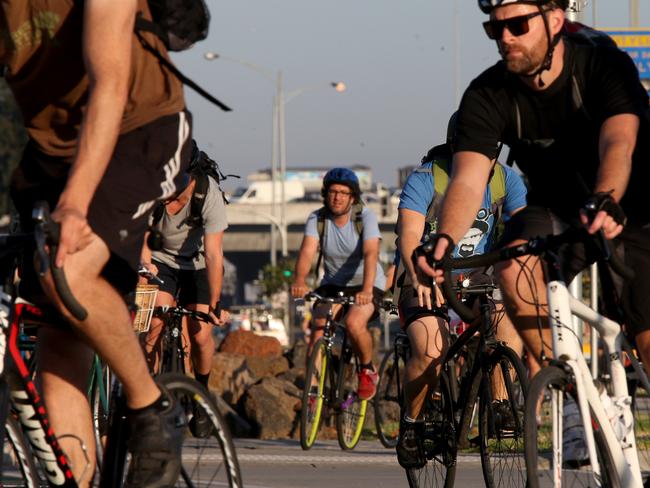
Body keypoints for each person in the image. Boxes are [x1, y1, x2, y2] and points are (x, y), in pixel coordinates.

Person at [1, 2, 193, 486]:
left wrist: (75, 204)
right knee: (56, 331)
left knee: (66, 268)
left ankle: (151, 406)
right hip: (51, 151)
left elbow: (109, 83)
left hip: (141, 129)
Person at [421, 0, 650, 391]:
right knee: (514, 269)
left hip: (630, 204)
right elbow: (468, 181)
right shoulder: (486, 93)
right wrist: (444, 239)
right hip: (556, 207)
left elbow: (618, 143)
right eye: (496, 29)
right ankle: (577, 399)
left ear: (556, 20)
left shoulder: (604, 65)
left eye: (518, 25)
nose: (506, 37)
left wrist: (606, 196)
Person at [394, 113, 528, 468]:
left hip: (479, 276)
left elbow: (523, 228)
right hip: (424, 274)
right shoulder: (426, 178)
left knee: (509, 321)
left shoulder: (504, 180)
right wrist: (418, 273)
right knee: (431, 350)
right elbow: (408, 235)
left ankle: (499, 406)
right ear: (454, 148)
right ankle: (413, 422)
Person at [140, 145, 229, 437]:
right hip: (160, 261)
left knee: (200, 334)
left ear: (189, 177)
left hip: (198, 264)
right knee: (154, 323)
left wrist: (214, 304)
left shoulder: (208, 194)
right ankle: (148, 398)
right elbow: (140, 233)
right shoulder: (152, 188)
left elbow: (215, 254)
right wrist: (144, 266)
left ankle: (201, 393)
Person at [291, 168, 386, 400]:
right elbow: (307, 252)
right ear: (326, 194)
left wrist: (366, 289)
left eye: (343, 193)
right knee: (317, 333)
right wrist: (300, 281)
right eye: (333, 192)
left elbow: (371, 252)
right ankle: (313, 394)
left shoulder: (365, 217)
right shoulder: (318, 219)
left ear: (353, 197)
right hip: (333, 284)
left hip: (367, 283)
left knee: (354, 323)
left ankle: (366, 369)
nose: (337, 197)